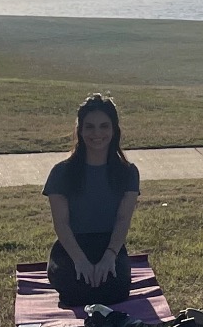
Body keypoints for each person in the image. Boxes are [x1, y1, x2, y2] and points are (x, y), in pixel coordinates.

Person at [43, 94, 141, 308]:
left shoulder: (128, 172)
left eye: (104, 126)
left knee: (117, 290)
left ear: (114, 129)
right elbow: (62, 224)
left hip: (109, 246)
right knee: (74, 290)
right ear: (80, 130)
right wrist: (80, 261)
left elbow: (123, 220)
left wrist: (109, 257)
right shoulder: (61, 172)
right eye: (90, 127)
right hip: (72, 247)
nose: (97, 134)